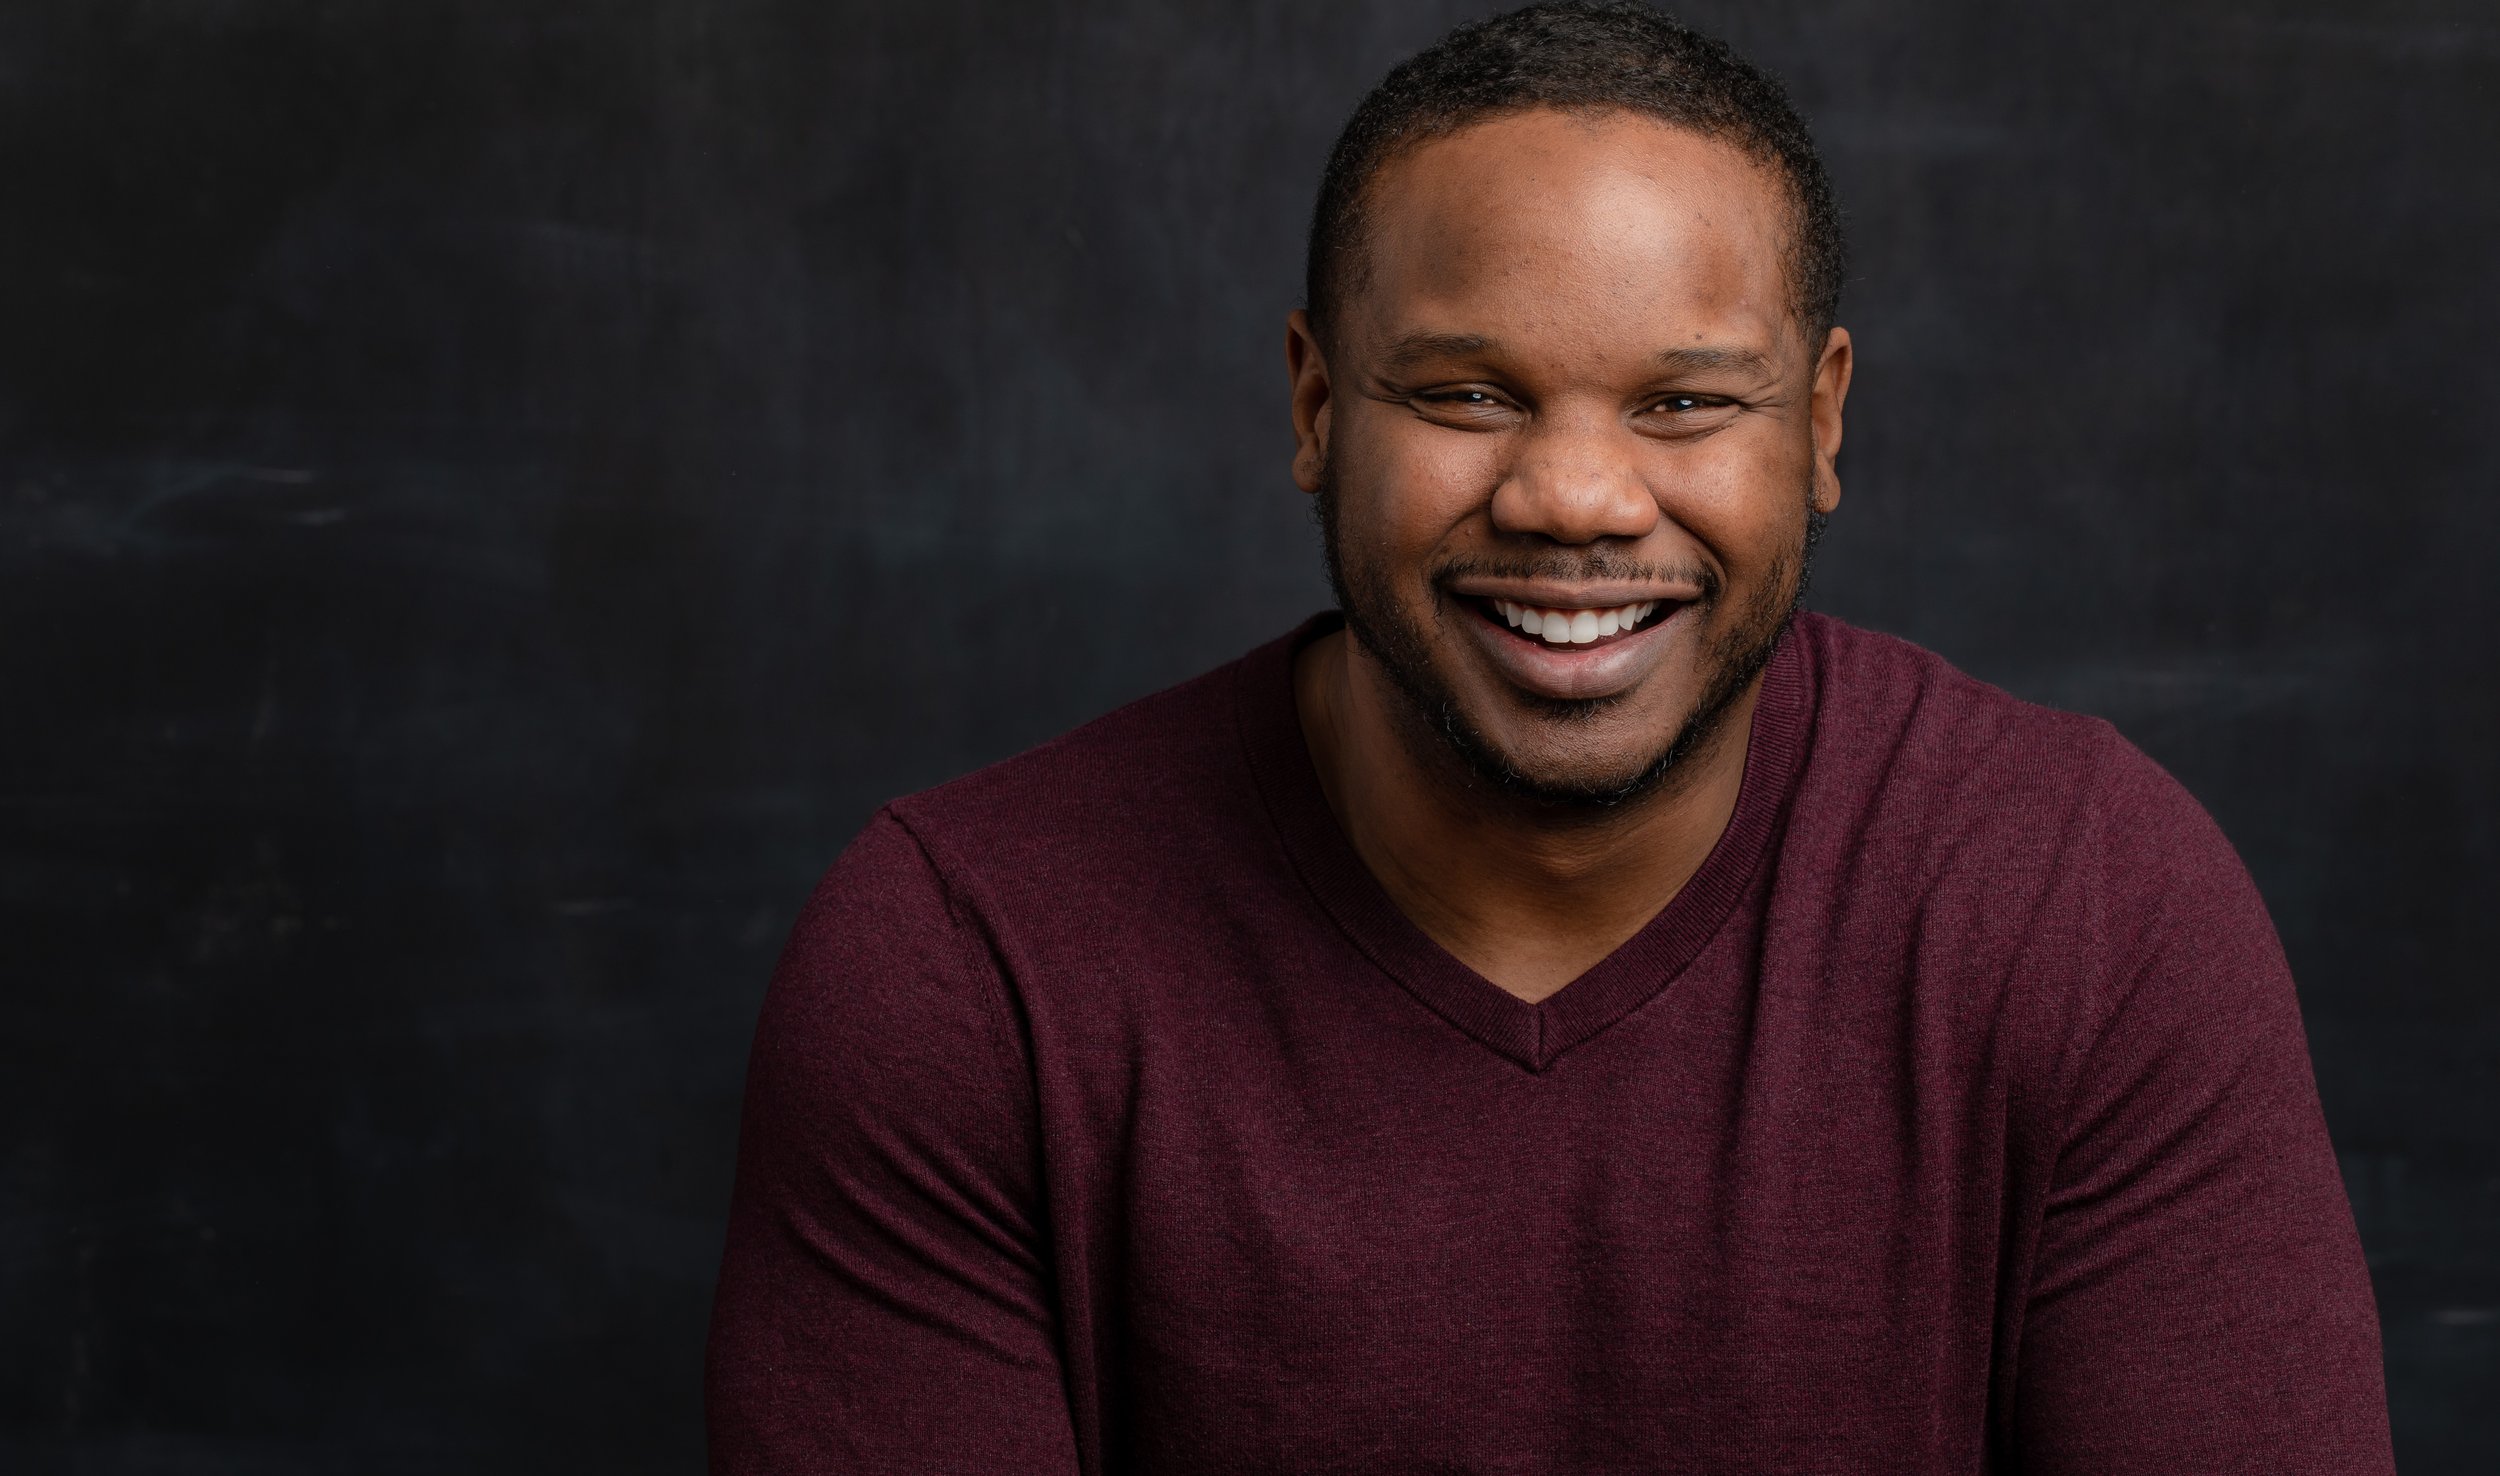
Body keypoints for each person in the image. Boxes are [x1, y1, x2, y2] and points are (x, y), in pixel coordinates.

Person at [704, 4, 2395, 1471]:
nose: (1575, 498)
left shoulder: (2089, 909)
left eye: (1685, 402)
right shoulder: (969, 964)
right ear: (1316, 406)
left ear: (1818, 425)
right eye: (1467, 394)